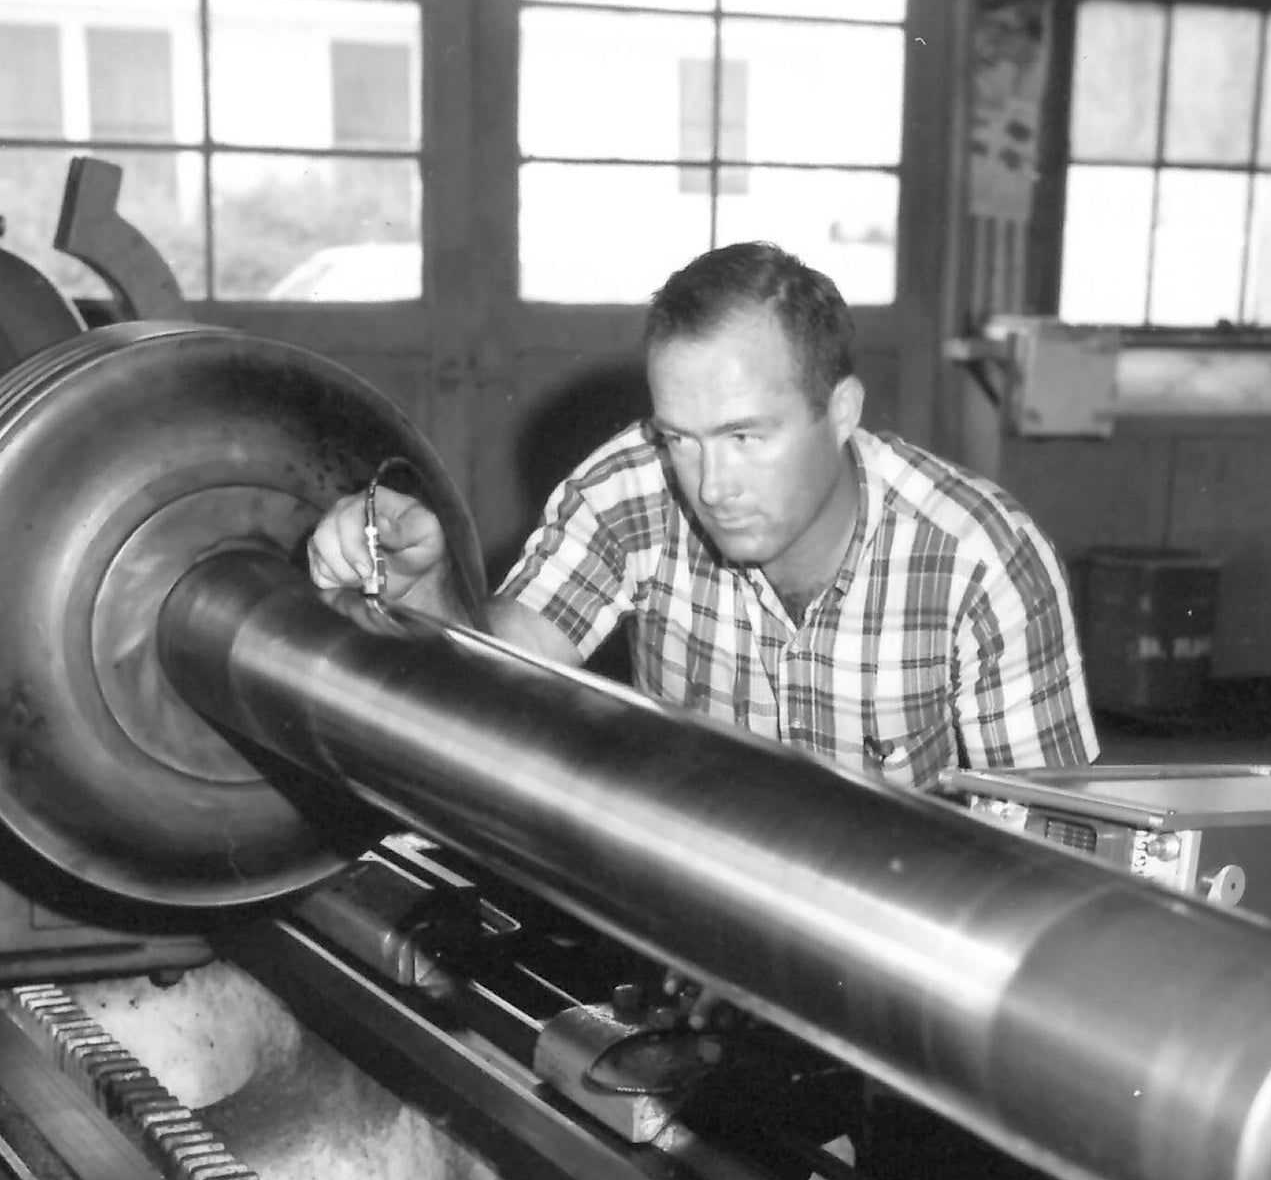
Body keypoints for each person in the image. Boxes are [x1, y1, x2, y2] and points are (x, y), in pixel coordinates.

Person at [307, 239, 1099, 791]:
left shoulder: (981, 561)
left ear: (842, 412)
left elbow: (1056, 848)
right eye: (682, 438)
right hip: (690, 920)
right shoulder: (634, 487)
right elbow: (497, 671)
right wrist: (422, 589)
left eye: (745, 436)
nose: (712, 485)